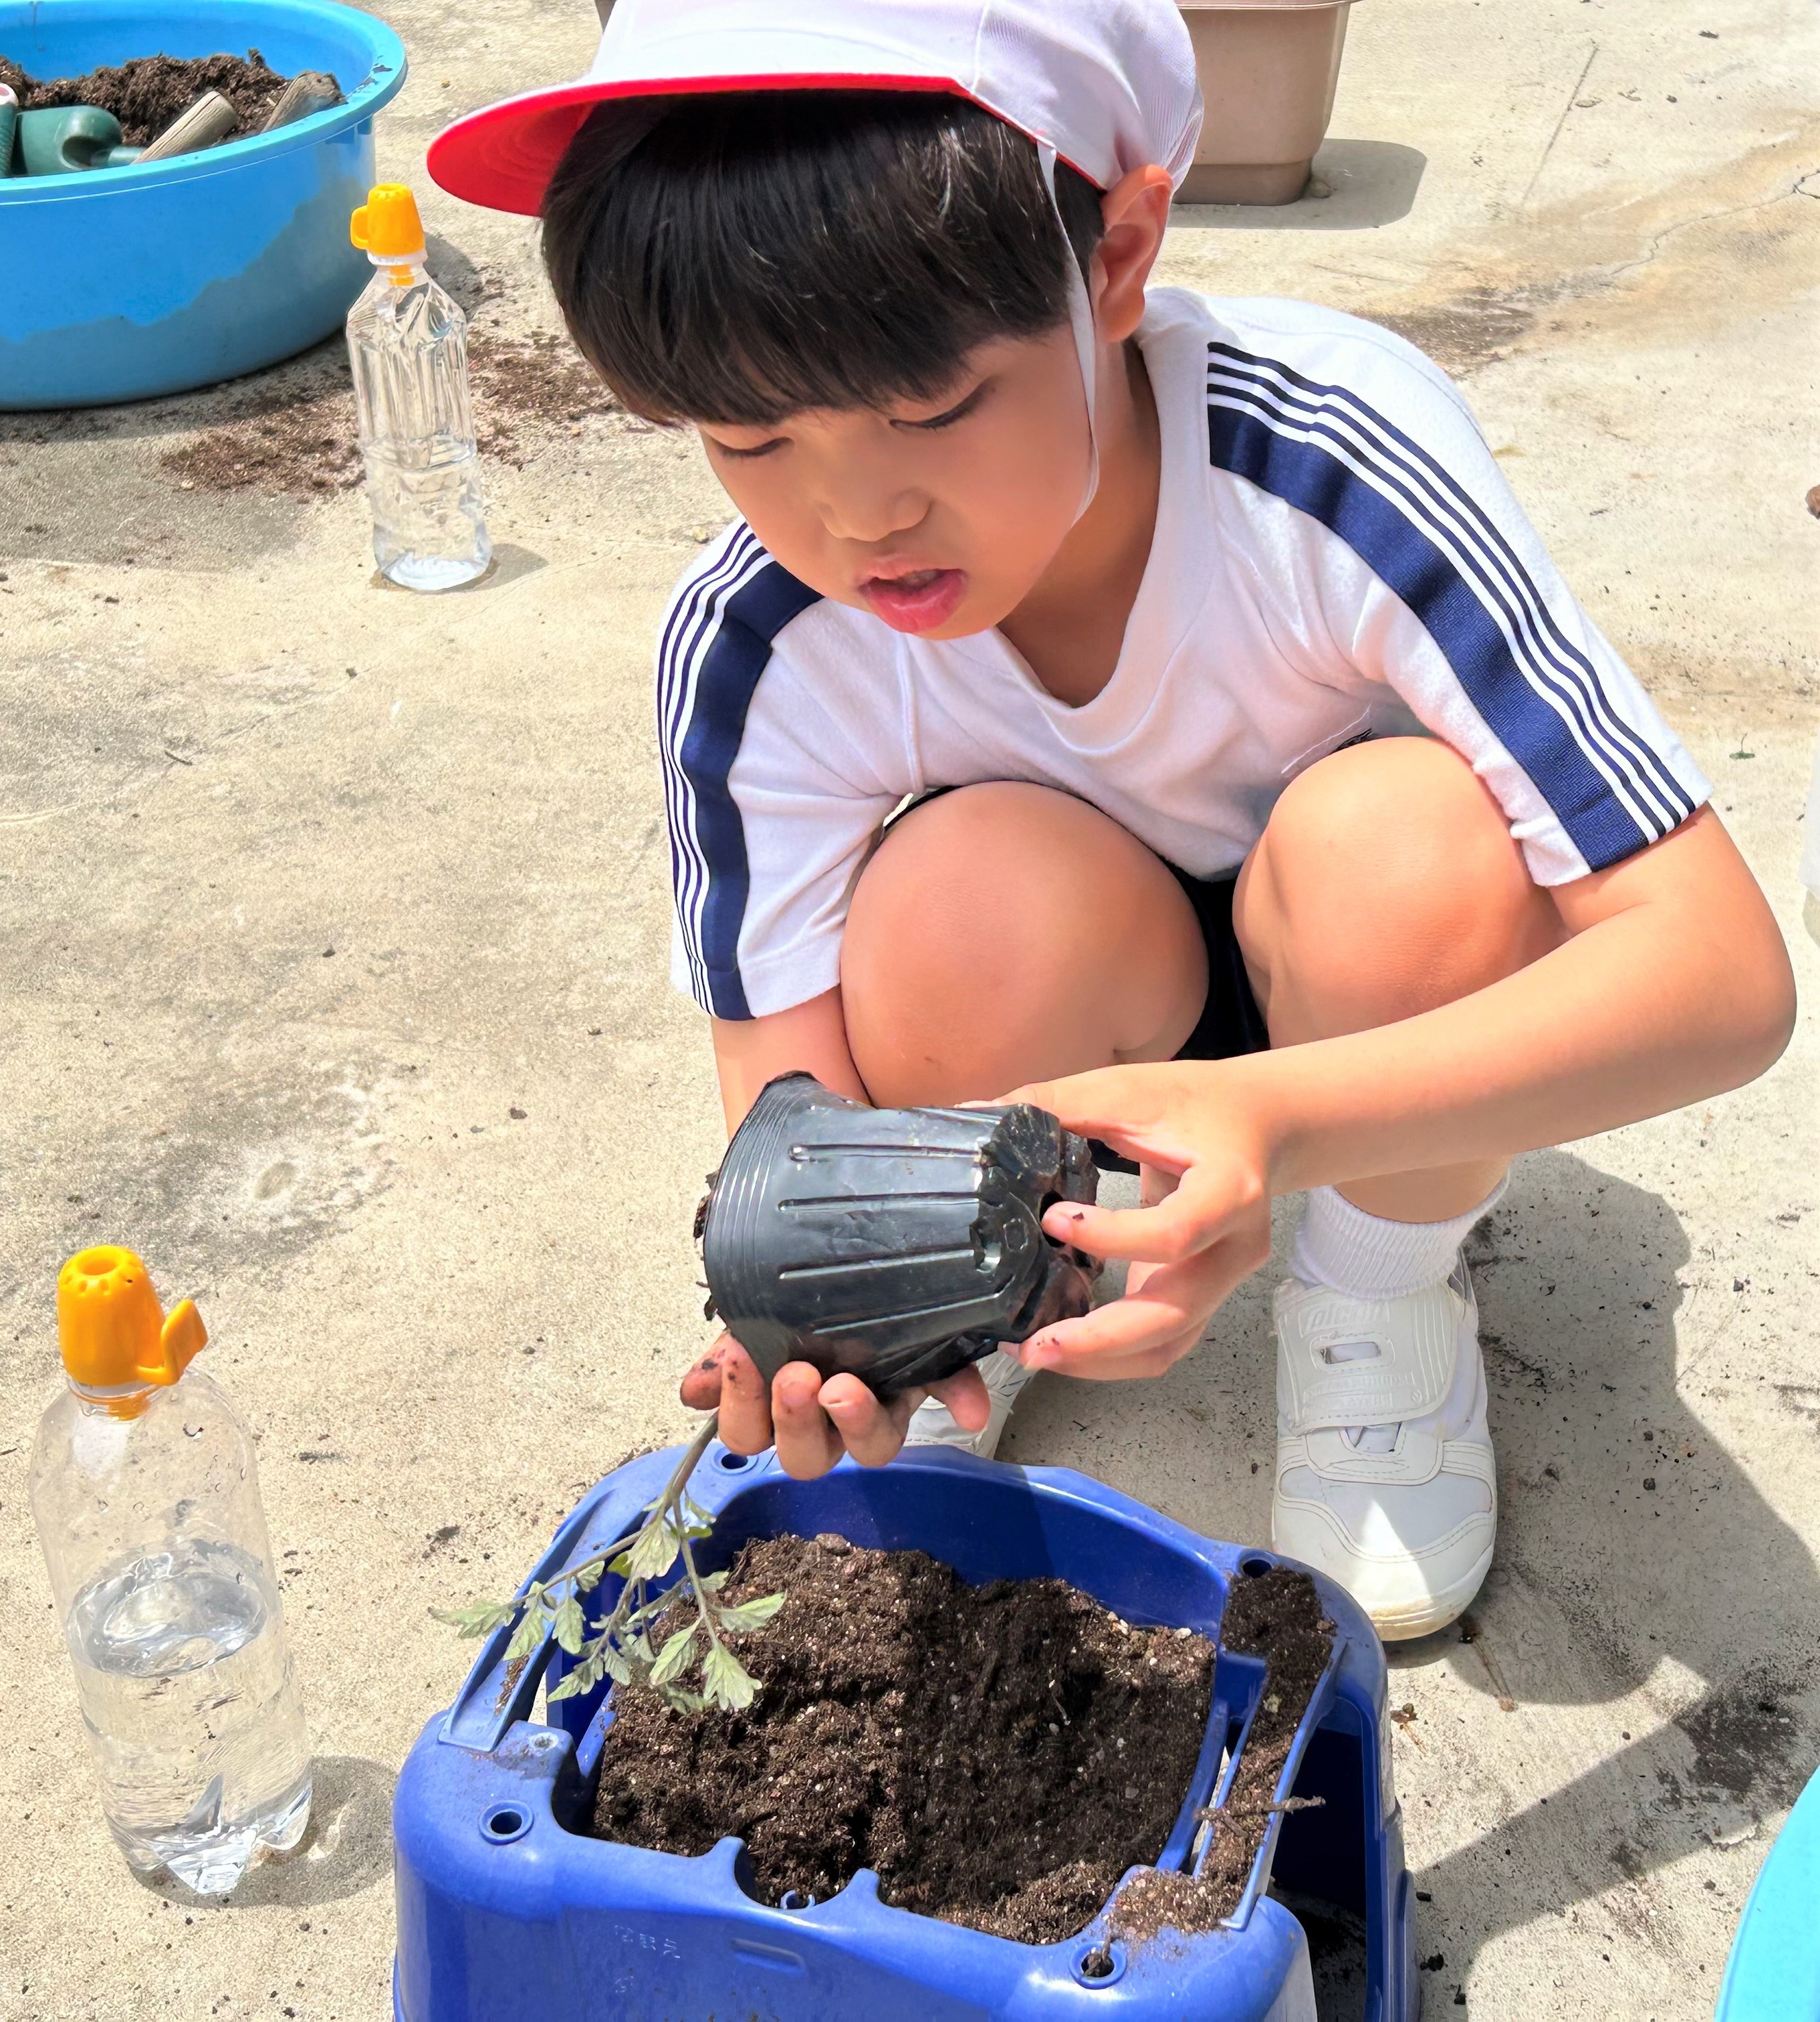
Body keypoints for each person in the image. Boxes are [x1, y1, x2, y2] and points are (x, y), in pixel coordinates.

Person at [427, 0, 1795, 1638]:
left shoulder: (1327, 460)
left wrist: (1274, 1128)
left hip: (1363, 992)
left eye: (936, 405)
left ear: (1120, 256)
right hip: (1072, 986)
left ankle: (1376, 1291)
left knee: (1408, 851)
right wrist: (833, 1311)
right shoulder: (760, 641)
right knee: (960, 902)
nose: (861, 514)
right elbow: (788, 1120)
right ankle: (987, 1296)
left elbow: (1718, 975)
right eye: (750, 434)